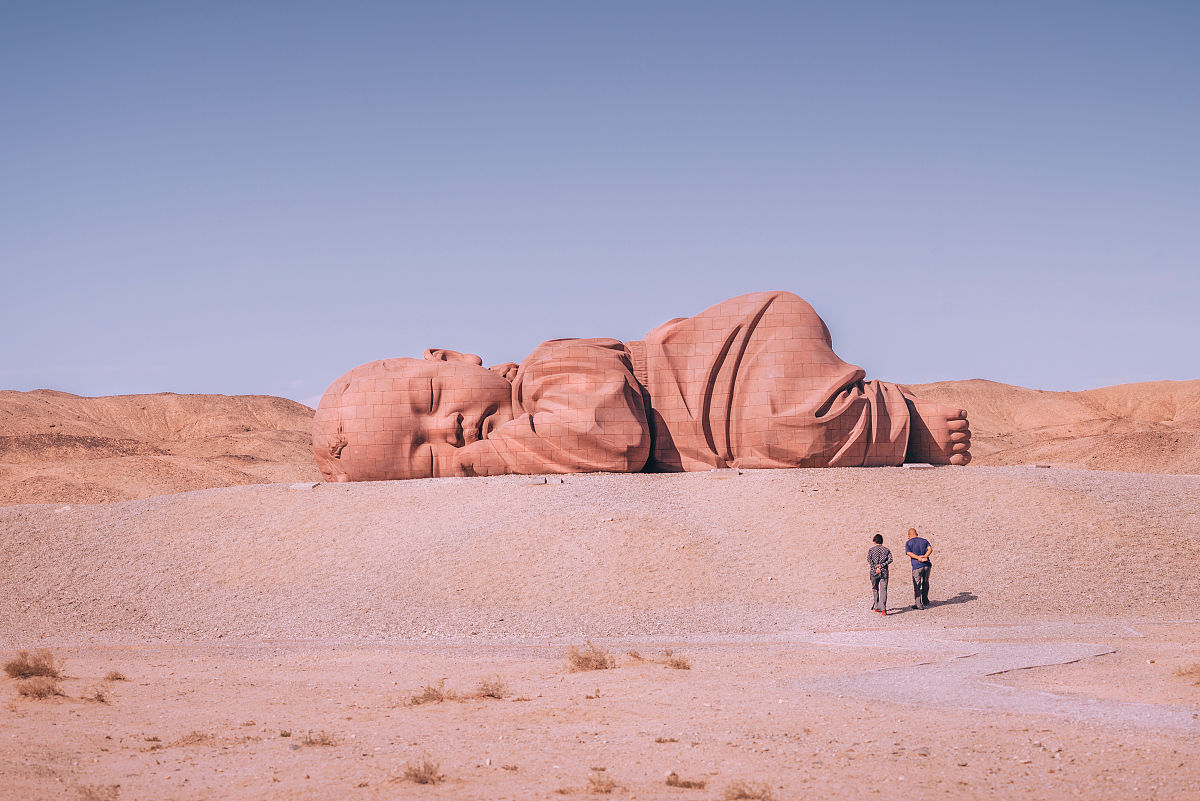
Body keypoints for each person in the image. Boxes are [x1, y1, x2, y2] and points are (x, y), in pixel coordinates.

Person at [312, 291, 972, 480]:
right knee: (773, 440)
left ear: (452, 354)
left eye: (431, 402)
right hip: (725, 420)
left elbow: (613, 435)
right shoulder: (529, 445)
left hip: (743, 357)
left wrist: (466, 465)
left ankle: (903, 421)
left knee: (785, 429)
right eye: (424, 453)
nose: (449, 429)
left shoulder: (548, 364)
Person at [906, 527, 933, 609]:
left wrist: (918, 558)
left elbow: (909, 553)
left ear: (909, 535)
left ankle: (918, 604)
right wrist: (925, 556)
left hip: (917, 566)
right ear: (916, 534)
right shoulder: (924, 540)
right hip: (926, 564)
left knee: (917, 584)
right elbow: (930, 549)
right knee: (925, 582)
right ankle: (925, 600)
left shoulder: (908, 542)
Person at [867, 533, 892, 615]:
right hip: (884, 571)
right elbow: (890, 560)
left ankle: (877, 607)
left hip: (873, 571)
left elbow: (869, 560)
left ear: (874, 541)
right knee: (883, 590)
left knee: (875, 588)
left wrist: (876, 567)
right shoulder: (886, 550)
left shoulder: (871, 550)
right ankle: (884, 609)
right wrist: (881, 566)